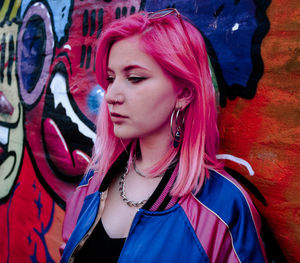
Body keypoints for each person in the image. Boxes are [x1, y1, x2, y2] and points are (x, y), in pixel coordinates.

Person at [60, 8, 267, 263]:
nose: (111, 96)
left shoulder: (223, 207)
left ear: (184, 94)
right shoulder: (91, 183)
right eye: (111, 79)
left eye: (134, 78)